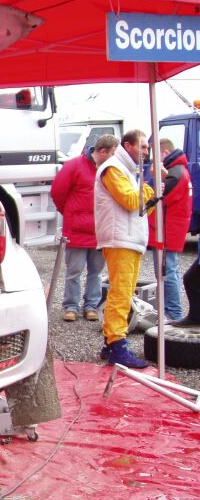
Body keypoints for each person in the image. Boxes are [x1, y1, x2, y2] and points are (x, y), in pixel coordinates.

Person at [94, 129, 160, 368]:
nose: (146, 151)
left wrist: (149, 193)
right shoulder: (114, 169)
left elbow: (140, 209)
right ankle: (116, 345)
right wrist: (151, 187)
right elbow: (132, 201)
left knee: (123, 292)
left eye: (146, 147)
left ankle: (111, 343)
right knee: (120, 294)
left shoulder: (126, 171)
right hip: (119, 238)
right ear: (127, 145)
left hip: (128, 238)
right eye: (141, 146)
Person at [51, 135, 116, 322]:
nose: (114, 156)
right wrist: (71, 213)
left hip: (99, 231)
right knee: (74, 271)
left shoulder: (108, 169)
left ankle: (91, 306)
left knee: (96, 272)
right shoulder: (73, 166)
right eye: (112, 152)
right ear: (103, 151)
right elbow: (57, 192)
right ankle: (71, 306)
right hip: (78, 231)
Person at [146, 138, 192, 322]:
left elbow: (155, 198)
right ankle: (172, 311)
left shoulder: (174, 173)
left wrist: (156, 178)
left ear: (163, 153)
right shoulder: (180, 170)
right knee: (169, 271)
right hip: (171, 228)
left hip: (166, 230)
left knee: (166, 272)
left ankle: (173, 313)